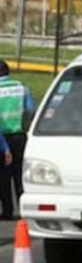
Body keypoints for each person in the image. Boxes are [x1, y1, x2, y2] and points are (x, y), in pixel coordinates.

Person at [0, 61, 34, 219]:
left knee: (3, 177)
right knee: (19, 174)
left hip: (2, 137)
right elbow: (31, 110)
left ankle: (7, 211)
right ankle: (23, 210)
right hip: (20, 136)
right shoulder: (21, 87)